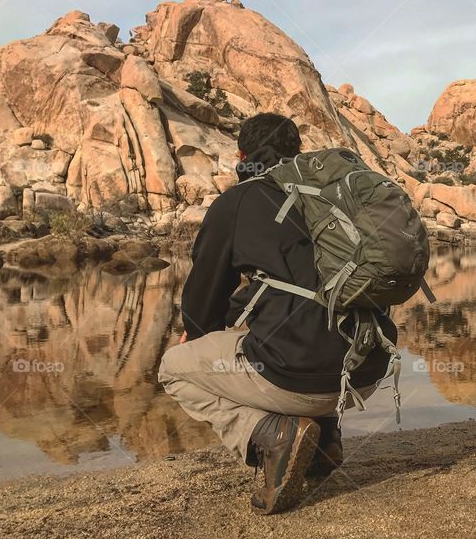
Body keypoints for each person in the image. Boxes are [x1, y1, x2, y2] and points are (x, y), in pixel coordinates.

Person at [158, 113, 394, 515]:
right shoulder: (331, 195)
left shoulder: (239, 201)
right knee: (285, 328)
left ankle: (273, 434)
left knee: (173, 368)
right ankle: (324, 442)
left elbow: (202, 302)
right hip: (365, 372)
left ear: (241, 155)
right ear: (296, 151)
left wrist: (198, 334)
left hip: (298, 378)